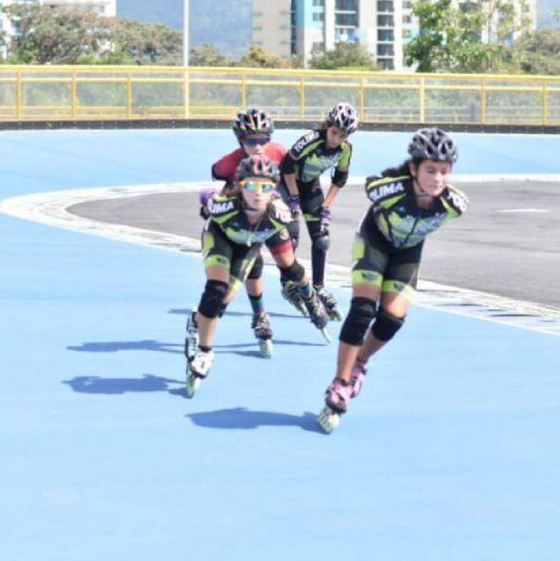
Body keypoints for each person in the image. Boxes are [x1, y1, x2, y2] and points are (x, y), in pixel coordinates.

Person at [317, 128, 468, 432]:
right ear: (413, 169)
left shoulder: (455, 204)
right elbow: (371, 186)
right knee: (363, 310)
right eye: (429, 170)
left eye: (443, 171)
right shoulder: (392, 189)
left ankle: (359, 361)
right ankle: (340, 381)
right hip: (375, 240)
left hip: (407, 252)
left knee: (392, 319)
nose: (437, 178)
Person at [184, 156, 331, 397]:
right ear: (241, 186)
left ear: (274, 189)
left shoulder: (279, 214)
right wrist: (207, 205)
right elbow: (205, 194)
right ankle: (205, 351)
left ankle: (195, 321)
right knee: (216, 289)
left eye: (265, 187)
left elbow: (295, 230)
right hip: (219, 237)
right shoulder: (225, 205)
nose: (258, 193)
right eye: (251, 185)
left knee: (222, 302)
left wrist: (322, 217)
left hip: (248, 245)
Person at [203, 109, 299, 348]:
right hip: (240, 215)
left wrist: (294, 201)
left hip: (271, 210)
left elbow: (293, 174)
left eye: (263, 140)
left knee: (286, 256)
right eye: (251, 141)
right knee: (246, 271)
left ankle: (300, 292)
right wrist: (214, 202)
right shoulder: (231, 162)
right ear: (240, 142)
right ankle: (259, 315)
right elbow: (215, 175)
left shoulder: (279, 152)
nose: (258, 147)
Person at [279, 102, 359, 321]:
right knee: (291, 235)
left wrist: (326, 206)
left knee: (322, 238)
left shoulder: (346, 150)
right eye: (334, 132)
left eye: (342, 135)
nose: (336, 139)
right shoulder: (310, 140)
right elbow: (286, 166)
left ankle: (319, 287)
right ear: (327, 126)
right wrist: (293, 198)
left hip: (310, 186)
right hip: (287, 185)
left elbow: (339, 179)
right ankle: (288, 282)